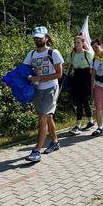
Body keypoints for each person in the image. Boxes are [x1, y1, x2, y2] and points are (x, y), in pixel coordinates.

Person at [24, 26, 64, 163]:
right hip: (37, 89)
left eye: (40, 37)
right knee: (47, 117)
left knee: (42, 118)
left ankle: (37, 151)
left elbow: (59, 74)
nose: (37, 40)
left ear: (46, 38)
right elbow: (24, 70)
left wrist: (39, 78)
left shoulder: (53, 53)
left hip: (51, 87)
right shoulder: (31, 54)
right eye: (35, 38)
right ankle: (55, 141)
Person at [67, 35, 95, 134]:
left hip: (85, 77)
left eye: (78, 42)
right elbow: (69, 66)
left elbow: (93, 67)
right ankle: (91, 121)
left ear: (83, 43)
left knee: (80, 100)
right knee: (82, 100)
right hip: (76, 77)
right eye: (75, 43)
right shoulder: (72, 54)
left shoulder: (87, 54)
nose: (76, 44)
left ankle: (78, 125)